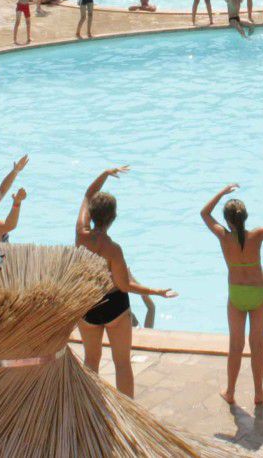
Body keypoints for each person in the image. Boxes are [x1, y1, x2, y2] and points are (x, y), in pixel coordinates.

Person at [75, 166, 178, 397]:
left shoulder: (81, 234)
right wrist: (155, 291)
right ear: (113, 218)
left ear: (91, 214)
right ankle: (127, 413)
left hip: (87, 303)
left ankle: (89, 407)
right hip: (114, 307)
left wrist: (103, 174)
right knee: (122, 363)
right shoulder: (113, 249)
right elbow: (123, 285)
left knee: (91, 361)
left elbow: (87, 194)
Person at [200, 182, 263, 406]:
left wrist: (221, 192)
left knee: (235, 346)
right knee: (257, 345)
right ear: (245, 217)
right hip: (258, 294)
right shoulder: (257, 235)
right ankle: (258, 392)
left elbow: (204, 213)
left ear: (227, 220)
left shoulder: (223, 236)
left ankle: (231, 392)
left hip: (236, 295)